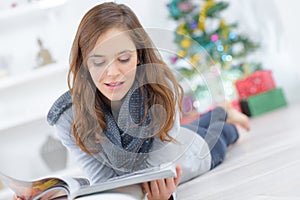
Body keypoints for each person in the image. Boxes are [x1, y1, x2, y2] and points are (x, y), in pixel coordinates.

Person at [14, 2, 250, 200]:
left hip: (190, 154)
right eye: (98, 62)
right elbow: (102, 181)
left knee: (224, 133)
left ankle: (228, 117)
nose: (113, 72)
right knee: (194, 125)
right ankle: (221, 110)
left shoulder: (158, 89)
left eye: (123, 59)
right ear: (84, 63)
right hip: (175, 138)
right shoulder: (68, 117)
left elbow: (153, 175)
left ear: (139, 56)